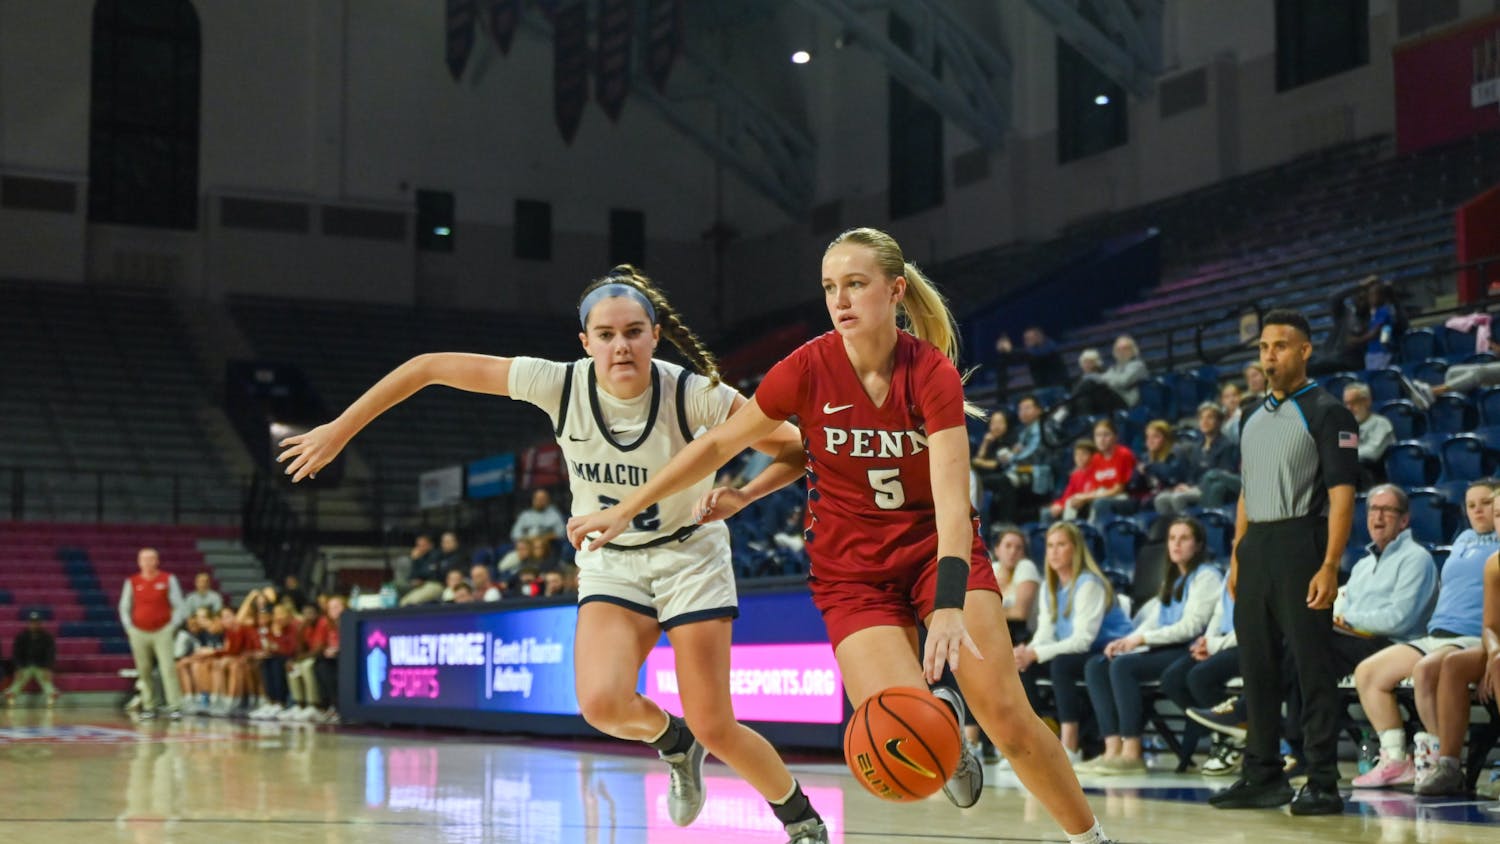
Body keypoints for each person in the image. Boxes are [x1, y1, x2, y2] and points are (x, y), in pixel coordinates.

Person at [569, 229, 1119, 844]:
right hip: (853, 573)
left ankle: (1092, 839)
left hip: (934, 550)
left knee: (1008, 719)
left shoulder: (931, 373)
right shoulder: (808, 366)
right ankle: (942, 720)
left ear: (896, 290)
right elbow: (722, 442)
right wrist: (631, 509)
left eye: (856, 284)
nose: (841, 299)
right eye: (831, 287)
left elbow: (952, 500)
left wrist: (948, 605)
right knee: (898, 723)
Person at [276, 264, 831, 843]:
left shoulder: (696, 394)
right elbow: (428, 368)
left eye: (634, 332)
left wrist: (743, 494)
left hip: (690, 556)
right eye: (607, 334)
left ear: (655, 335)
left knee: (717, 724)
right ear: (585, 342)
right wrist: (340, 429)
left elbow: (796, 451)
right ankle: (673, 740)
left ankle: (801, 820)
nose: (622, 345)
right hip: (614, 560)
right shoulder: (559, 383)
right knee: (601, 704)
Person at [1210, 308, 1359, 815]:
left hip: (1303, 542)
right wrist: (1237, 554)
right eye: (1263, 348)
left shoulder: (1327, 411)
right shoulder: (1251, 418)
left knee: (1312, 667)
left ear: (1304, 351)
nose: (1268, 355)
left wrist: (1331, 563)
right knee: (1257, 667)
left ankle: (1322, 780)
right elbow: (1247, 494)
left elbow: (1342, 495)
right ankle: (1263, 774)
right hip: (1257, 549)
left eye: (1278, 346)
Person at [1351, 479, 1497, 790]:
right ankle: (1394, 758)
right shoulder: (1463, 540)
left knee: (1426, 670)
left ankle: (1439, 757)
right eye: (1471, 505)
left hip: (1471, 635)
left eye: (1486, 504)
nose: (1479, 511)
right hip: (1437, 633)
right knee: (1368, 672)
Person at [1082, 517, 1222, 775]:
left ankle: (1132, 752)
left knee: (1123, 668)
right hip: (1164, 648)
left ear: (1199, 544)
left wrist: (1141, 640)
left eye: (1184, 539)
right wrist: (1126, 641)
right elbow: (1154, 620)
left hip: (1189, 651)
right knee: (1097, 665)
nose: (1176, 544)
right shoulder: (1173, 580)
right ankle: (1111, 749)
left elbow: (1191, 627)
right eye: (1172, 538)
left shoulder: (1207, 577)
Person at [1013, 523, 1134, 764]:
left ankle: (1069, 745)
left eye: (1061, 545)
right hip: (1079, 651)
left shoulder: (1088, 583)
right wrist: (1028, 652)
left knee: (1061, 665)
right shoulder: (1050, 585)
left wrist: (1036, 653)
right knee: (1023, 667)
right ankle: (1033, 741)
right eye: (1050, 546)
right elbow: (1046, 632)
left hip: (1108, 650)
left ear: (1075, 549)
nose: (1054, 551)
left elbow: (1082, 641)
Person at [1425, 541, 1500, 795]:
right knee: (1453, 664)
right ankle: (1449, 767)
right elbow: (1489, 627)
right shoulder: (1494, 563)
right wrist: (1493, 654)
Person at [118, 547, 187, 720]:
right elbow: (124, 606)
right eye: (144, 559)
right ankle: (149, 706)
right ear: (139, 562)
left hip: (162, 630)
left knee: (168, 669)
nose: (148, 562)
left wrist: (173, 626)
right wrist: (129, 628)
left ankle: (175, 706)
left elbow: (179, 605)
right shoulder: (132, 581)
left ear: (157, 561)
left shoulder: (168, 579)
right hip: (139, 632)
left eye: (151, 559)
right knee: (144, 670)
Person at [1154, 402, 1240, 519]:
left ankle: (1190, 529)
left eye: (1210, 417)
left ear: (1219, 421)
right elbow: (1192, 473)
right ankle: (1171, 531)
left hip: (1209, 490)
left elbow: (1221, 474)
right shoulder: (1197, 447)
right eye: (1202, 418)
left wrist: (1195, 488)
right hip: (1194, 487)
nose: (1205, 421)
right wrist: (1185, 486)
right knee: (1161, 499)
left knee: (1178, 498)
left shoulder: (1227, 445)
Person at [1344, 382, 1394, 489]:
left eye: (1354, 402)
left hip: (1378, 480)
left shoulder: (1380, 423)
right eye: (1346, 404)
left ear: (1367, 402)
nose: (1349, 408)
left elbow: (1372, 453)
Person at [5, 611, 58, 707]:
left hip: (41, 666)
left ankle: (51, 695)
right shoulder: (21, 637)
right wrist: (18, 668)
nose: (34, 624)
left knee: (44, 677)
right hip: (25, 665)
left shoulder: (47, 637)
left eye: (36, 622)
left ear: (40, 623)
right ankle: (11, 694)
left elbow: (50, 654)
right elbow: (16, 654)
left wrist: (48, 668)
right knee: (22, 676)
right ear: (28, 623)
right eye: (32, 622)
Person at [995, 326, 1070, 393]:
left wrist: (1011, 350)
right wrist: (1004, 352)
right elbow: (1017, 359)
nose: (1027, 341)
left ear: (1039, 337)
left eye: (1030, 338)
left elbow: (1037, 355)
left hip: (1059, 387)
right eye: (1026, 339)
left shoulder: (1050, 346)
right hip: (1043, 389)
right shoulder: (1030, 353)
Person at [400, 535, 442, 605]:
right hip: (420, 586)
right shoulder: (418, 557)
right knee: (401, 598)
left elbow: (430, 573)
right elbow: (412, 575)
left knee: (409, 601)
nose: (420, 548)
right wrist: (415, 561)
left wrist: (417, 560)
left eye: (423, 545)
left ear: (430, 545)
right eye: (418, 545)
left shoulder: (436, 555)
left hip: (434, 584)